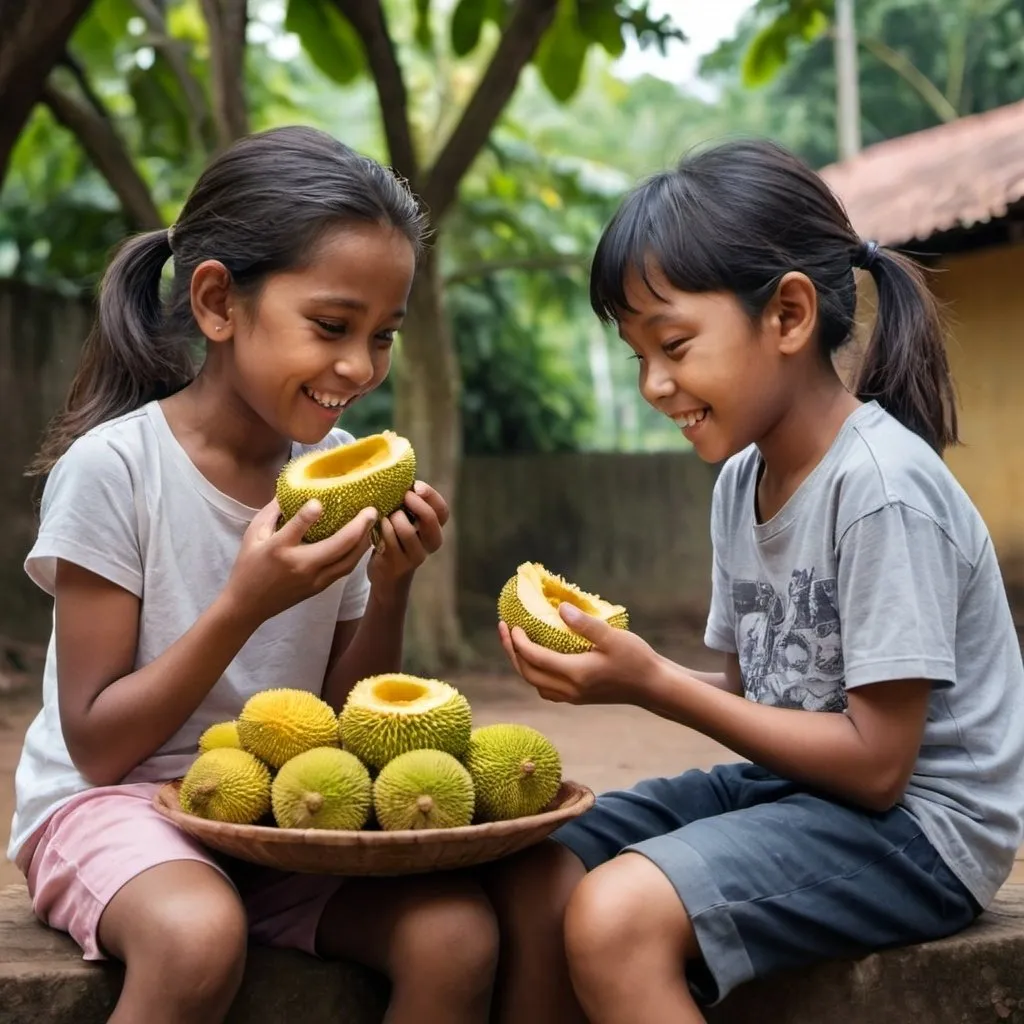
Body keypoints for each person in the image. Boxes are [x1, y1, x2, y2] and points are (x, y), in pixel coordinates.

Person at [486, 138, 1024, 1024]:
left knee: (615, 918)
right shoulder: (742, 479)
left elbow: (880, 766)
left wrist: (652, 684)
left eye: (675, 344)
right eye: (637, 356)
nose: (656, 384)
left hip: (924, 832)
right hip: (803, 792)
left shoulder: (881, 489)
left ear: (788, 315)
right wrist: (619, 671)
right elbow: (754, 693)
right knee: (540, 860)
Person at [8, 126, 498, 1024]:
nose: (359, 367)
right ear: (216, 303)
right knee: (199, 938)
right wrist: (244, 603)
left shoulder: (344, 472)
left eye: (382, 335)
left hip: (278, 808)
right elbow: (97, 744)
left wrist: (390, 585)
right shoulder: (117, 470)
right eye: (331, 326)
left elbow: (349, 723)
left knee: (454, 936)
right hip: (115, 806)